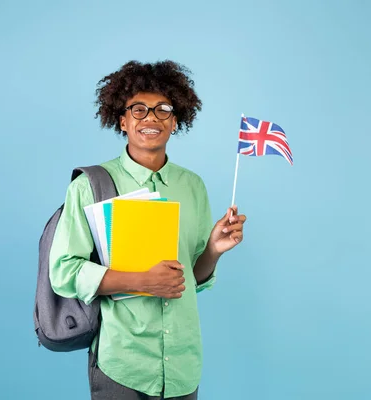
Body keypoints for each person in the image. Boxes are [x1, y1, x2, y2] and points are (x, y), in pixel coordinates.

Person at [49, 60, 247, 399]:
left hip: (183, 365)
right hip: (123, 363)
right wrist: (142, 282)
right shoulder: (90, 185)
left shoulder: (193, 186)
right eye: (138, 110)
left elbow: (190, 280)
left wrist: (213, 250)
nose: (151, 118)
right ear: (122, 121)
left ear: (175, 120)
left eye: (162, 110)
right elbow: (64, 271)